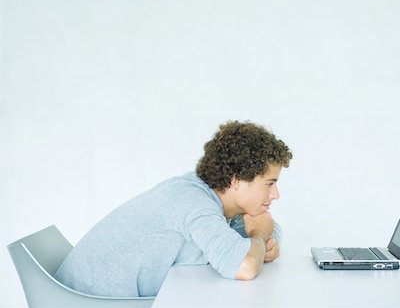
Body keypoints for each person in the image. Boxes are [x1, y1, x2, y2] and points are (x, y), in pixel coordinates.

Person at [54, 120, 292, 297]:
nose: (275, 194)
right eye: (269, 184)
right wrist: (257, 236)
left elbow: (266, 231)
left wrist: (262, 240)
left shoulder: (218, 204)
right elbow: (244, 266)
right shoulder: (192, 201)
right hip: (84, 302)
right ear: (236, 180)